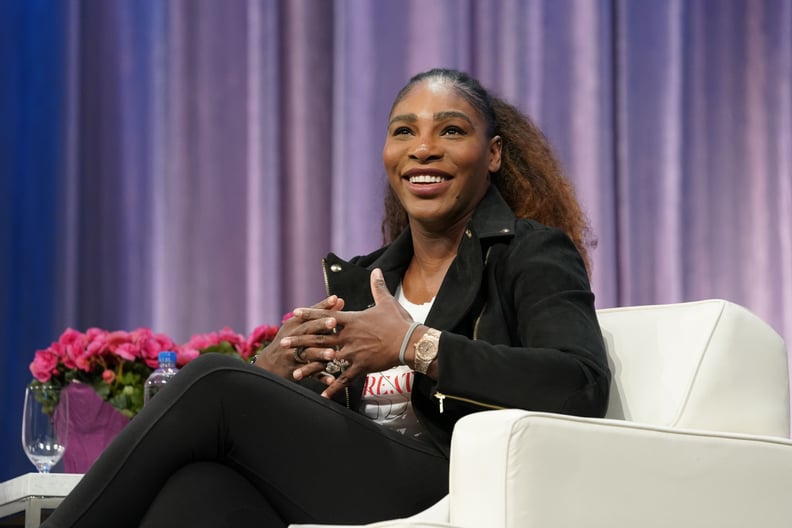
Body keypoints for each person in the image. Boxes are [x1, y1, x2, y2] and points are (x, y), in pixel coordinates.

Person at [42, 68, 610, 528]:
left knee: (215, 382)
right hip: (358, 479)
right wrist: (279, 374)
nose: (424, 149)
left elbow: (579, 383)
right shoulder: (363, 279)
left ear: (493, 155)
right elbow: (333, 419)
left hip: (450, 479)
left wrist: (416, 344)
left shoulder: (528, 253)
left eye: (452, 131)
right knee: (199, 492)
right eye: (404, 131)